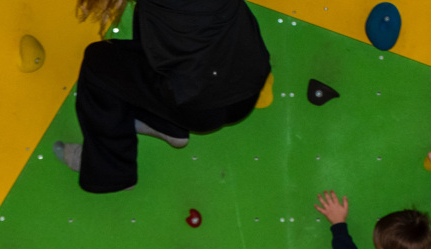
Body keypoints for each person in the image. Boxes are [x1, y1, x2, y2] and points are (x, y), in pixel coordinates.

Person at [56, 0, 271, 194]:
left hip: (199, 108)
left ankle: (109, 172)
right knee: (170, 18)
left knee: (98, 62)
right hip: (248, 87)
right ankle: (168, 125)